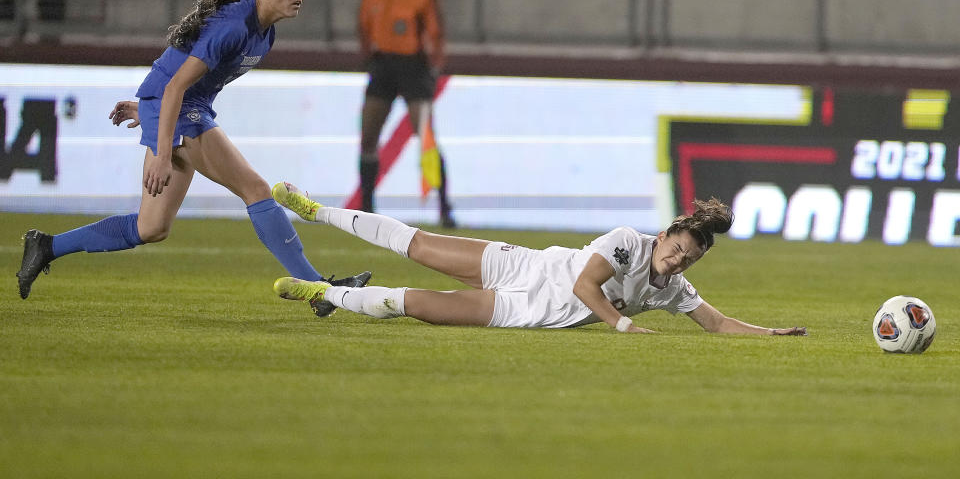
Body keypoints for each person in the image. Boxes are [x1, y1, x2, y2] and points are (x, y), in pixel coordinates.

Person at [17, 0, 370, 316]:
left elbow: (188, 82)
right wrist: (162, 149)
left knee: (151, 228)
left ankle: (47, 246)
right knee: (256, 189)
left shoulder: (266, 32)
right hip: (178, 105)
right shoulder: (233, 28)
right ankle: (319, 291)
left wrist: (149, 110)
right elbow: (175, 87)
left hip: (179, 106)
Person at [271, 182, 808, 335]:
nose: (676, 262)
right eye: (676, 248)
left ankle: (324, 293)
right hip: (526, 266)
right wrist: (622, 326)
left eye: (688, 260)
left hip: (526, 311)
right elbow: (585, 288)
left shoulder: (670, 288)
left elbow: (715, 323)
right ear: (665, 233)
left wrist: (771, 334)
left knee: (415, 304)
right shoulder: (628, 241)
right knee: (416, 244)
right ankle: (313, 210)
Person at [356, 0, 455, 227]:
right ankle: (366, 206)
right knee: (369, 136)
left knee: (425, 139)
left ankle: (443, 207)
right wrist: (368, 56)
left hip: (414, 67)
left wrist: (434, 65)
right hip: (383, 65)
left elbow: (436, 31)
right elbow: (363, 23)